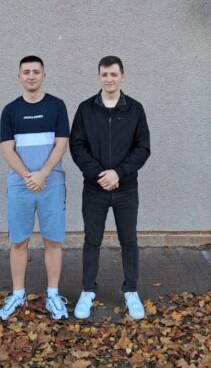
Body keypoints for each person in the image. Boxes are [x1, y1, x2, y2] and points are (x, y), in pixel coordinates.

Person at [69, 55, 151, 320]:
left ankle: (131, 291)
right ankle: (87, 291)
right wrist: (98, 175)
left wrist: (119, 172)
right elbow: (77, 146)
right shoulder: (85, 109)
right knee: (92, 240)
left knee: (129, 240)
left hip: (126, 189)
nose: (109, 79)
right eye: (104, 74)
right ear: (99, 77)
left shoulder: (135, 109)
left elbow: (143, 148)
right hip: (94, 190)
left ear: (122, 77)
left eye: (114, 74)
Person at [0, 55, 70, 321]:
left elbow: (62, 143)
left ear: (44, 76)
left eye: (35, 72)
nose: (31, 76)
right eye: (26, 72)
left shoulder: (57, 106)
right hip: (20, 186)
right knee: (19, 242)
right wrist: (29, 176)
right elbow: (7, 149)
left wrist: (43, 174)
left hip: (52, 184)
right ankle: (18, 294)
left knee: (53, 240)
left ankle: (53, 294)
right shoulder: (10, 110)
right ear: (19, 77)